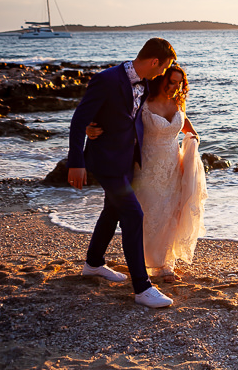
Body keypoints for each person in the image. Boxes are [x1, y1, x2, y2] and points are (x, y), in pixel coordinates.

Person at [67, 37, 177, 308]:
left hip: (127, 159)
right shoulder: (107, 79)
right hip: (104, 160)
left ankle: (93, 264)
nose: (162, 74)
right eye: (162, 68)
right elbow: (79, 119)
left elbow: (172, 88)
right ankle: (142, 287)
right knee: (133, 213)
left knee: (112, 211)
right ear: (153, 62)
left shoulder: (148, 81)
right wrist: (76, 162)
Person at [87, 64, 206, 283]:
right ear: (161, 79)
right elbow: (117, 119)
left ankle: (164, 263)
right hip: (146, 166)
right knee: (146, 212)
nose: (175, 87)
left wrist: (194, 134)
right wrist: (89, 127)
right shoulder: (144, 101)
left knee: (170, 212)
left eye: (179, 83)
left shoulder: (179, 101)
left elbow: (183, 121)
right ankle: (140, 261)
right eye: (171, 81)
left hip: (172, 165)